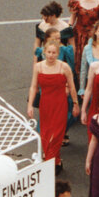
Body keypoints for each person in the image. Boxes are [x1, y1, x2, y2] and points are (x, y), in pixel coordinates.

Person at [28, 39, 79, 170]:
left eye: (54, 52)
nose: (51, 55)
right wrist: (30, 106)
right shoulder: (38, 67)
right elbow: (34, 87)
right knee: (45, 135)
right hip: (45, 106)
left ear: (58, 53)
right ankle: (56, 161)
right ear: (44, 52)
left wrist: (75, 104)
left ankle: (49, 163)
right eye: (49, 52)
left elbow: (72, 87)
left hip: (60, 105)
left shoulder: (64, 67)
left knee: (56, 135)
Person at [68, 0, 99, 73]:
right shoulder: (77, 1)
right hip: (79, 33)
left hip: (91, 35)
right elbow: (73, 17)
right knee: (78, 58)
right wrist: (68, 27)